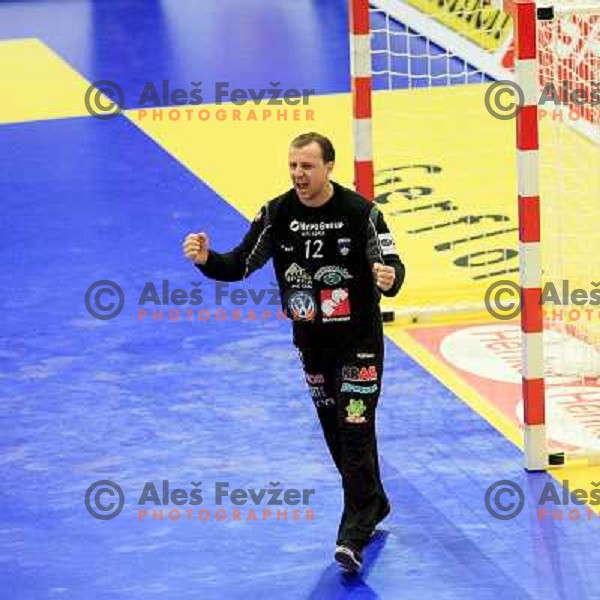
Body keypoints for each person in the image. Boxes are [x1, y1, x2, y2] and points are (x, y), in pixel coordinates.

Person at [182, 132, 405, 572]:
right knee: (336, 433)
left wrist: (389, 279)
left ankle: (351, 536)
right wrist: (207, 259)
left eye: (307, 166)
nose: (299, 174)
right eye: (293, 166)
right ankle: (373, 503)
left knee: (355, 428)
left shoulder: (363, 214)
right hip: (311, 346)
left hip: (358, 342)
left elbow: (393, 265)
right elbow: (239, 264)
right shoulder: (277, 213)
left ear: (329, 168)